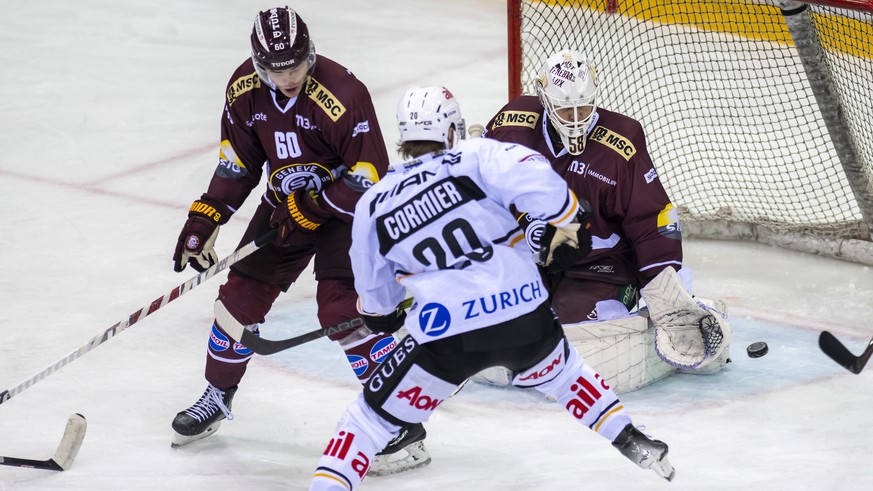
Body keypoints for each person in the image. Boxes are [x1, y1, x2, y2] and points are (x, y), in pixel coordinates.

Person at [308, 86, 675, 490]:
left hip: (446, 336)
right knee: (567, 374)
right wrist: (569, 224)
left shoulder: (374, 203)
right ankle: (629, 437)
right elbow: (550, 190)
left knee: (368, 419)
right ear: (452, 130)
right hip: (525, 319)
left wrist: (384, 313)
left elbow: (376, 299)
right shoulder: (481, 154)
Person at [169, 6, 428, 474]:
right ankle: (217, 394)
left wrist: (313, 209)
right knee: (237, 302)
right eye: (274, 67)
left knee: (342, 310)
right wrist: (206, 217)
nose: (287, 76)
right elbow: (239, 164)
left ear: (311, 54)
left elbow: (369, 176)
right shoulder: (244, 91)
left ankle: (398, 420)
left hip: (347, 214)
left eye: (295, 64)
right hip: (286, 205)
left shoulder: (344, 94)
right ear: (256, 63)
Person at [481, 49, 729, 374]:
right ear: (543, 97)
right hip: (531, 255)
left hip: (600, 265)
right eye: (564, 109)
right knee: (495, 324)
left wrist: (667, 291)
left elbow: (652, 219)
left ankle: (658, 304)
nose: (575, 117)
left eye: (582, 107)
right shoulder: (510, 125)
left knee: (569, 342)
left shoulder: (621, 144)